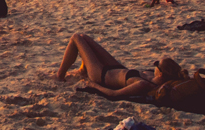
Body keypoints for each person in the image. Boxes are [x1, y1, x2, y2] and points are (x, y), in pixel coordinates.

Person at [53, 34, 184, 97]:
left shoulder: (143, 84)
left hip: (101, 75)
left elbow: (114, 94)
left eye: (157, 65)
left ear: (160, 74)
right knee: (84, 38)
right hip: (117, 69)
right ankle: (83, 70)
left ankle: (60, 75)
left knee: (76, 38)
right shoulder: (152, 76)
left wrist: (94, 86)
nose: (154, 66)